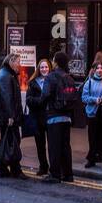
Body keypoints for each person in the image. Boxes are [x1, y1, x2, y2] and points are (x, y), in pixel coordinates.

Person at [42, 51, 78, 183]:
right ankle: (68, 174)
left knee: (54, 146)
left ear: (55, 62)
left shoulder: (51, 77)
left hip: (53, 115)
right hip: (67, 116)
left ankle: (55, 174)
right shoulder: (69, 77)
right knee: (65, 146)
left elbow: (45, 95)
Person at [0, 51, 26, 180]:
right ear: (11, 62)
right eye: (18, 62)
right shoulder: (6, 75)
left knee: (8, 141)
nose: (19, 64)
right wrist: (11, 116)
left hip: (7, 115)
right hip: (8, 116)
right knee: (12, 142)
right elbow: (7, 98)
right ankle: (15, 169)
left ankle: (5, 168)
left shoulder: (7, 74)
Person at [82, 58, 102, 170]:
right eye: (97, 68)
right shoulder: (88, 83)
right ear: (93, 70)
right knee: (92, 137)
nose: (100, 70)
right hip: (92, 113)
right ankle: (91, 159)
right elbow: (84, 98)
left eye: (101, 68)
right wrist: (95, 100)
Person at [26, 58, 52, 177]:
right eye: (42, 67)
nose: (44, 69)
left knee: (52, 144)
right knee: (40, 144)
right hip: (37, 117)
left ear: (49, 68)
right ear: (38, 68)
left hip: (51, 116)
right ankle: (43, 167)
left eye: (46, 67)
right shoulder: (33, 82)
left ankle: (54, 167)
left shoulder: (53, 80)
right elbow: (28, 100)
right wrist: (40, 100)